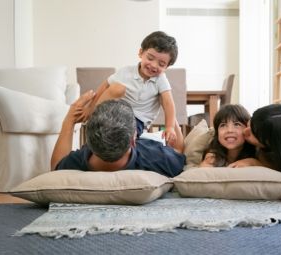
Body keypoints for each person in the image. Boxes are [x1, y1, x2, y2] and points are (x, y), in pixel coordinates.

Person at [77, 31, 182, 148]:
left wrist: (169, 127)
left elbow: (168, 103)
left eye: (161, 64)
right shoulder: (126, 71)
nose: (153, 65)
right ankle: (95, 122)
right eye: (150, 58)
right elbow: (105, 86)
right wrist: (90, 109)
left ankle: (125, 144)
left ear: (167, 67)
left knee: (123, 136)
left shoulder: (160, 79)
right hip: (117, 111)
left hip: (138, 121)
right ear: (141, 53)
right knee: (116, 89)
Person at [51, 91, 185, 177]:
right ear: (133, 140)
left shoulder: (75, 163)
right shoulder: (157, 158)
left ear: (89, 140)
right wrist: (169, 112)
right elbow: (178, 150)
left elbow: (56, 166)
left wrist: (69, 120)